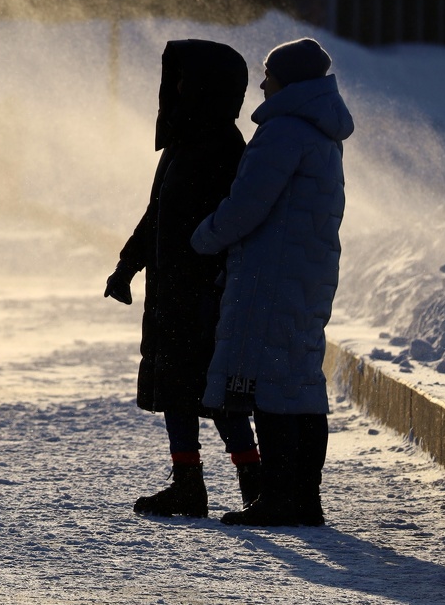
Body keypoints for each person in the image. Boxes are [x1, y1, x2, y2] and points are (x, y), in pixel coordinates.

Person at [190, 37, 353, 527]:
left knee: (270, 385)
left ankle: (280, 498)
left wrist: (202, 237)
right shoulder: (321, 131)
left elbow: (247, 205)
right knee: (300, 381)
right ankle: (305, 499)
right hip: (306, 273)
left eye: (269, 75)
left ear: (288, 79)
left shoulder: (283, 131)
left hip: (272, 275)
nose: (262, 84)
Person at [104, 39, 261, 518]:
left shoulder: (225, 146)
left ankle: (254, 482)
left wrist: (214, 278)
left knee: (216, 390)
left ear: (205, 86)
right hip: (171, 290)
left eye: (182, 80)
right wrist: (127, 267)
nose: (173, 89)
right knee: (175, 387)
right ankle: (188, 482)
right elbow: (155, 216)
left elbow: (235, 222)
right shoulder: (181, 142)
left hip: (206, 293)